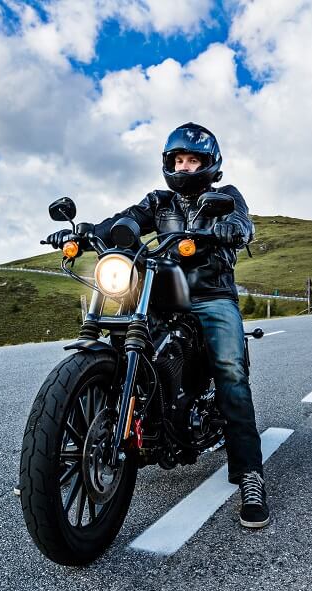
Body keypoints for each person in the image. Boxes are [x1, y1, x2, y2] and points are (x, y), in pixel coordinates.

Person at [46, 122, 270, 528]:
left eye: (193, 160)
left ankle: (250, 475)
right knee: (125, 337)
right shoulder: (159, 202)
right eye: (178, 161)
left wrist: (227, 229)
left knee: (231, 374)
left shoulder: (225, 197)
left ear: (208, 164)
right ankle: (70, 448)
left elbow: (242, 224)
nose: (184, 168)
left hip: (210, 296)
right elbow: (126, 222)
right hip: (160, 291)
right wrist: (86, 233)